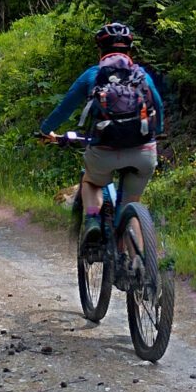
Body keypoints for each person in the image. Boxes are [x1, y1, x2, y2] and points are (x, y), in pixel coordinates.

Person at [39, 22, 164, 244]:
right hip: (143, 151)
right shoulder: (141, 74)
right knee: (131, 201)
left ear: (100, 50)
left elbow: (64, 108)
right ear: (129, 50)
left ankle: (93, 222)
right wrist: (159, 131)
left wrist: (44, 130)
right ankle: (139, 264)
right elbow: (159, 106)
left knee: (92, 182)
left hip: (103, 152)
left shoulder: (93, 75)